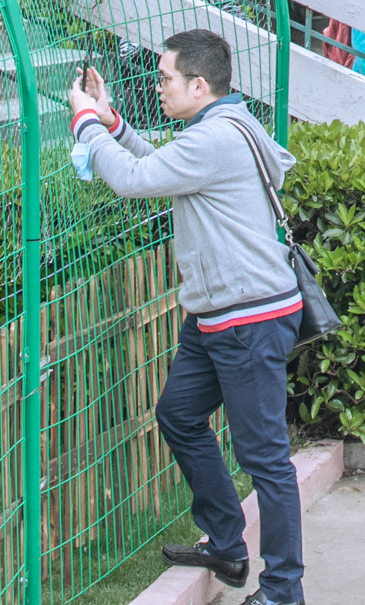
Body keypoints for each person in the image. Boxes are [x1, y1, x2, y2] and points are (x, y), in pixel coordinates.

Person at [68, 30, 302, 605]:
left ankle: (283, 590)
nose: (159, 86)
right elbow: (164, 167)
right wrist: (113, 123)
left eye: (166, 78)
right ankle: (226, 542)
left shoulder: (215, 138)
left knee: (265, 459)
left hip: (245, 319)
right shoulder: (221, 127)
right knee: (178, 414)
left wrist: (85, 124)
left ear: (199, 85)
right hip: (216, 315)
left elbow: (131, 180)